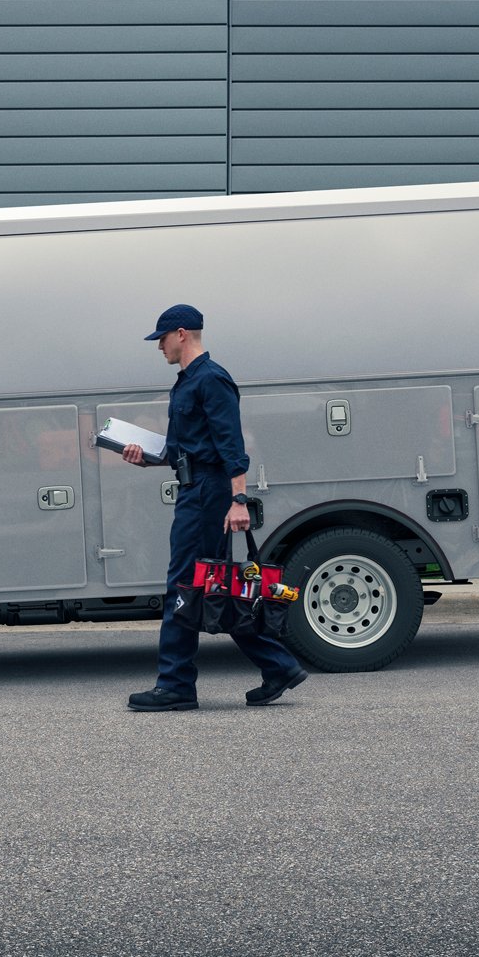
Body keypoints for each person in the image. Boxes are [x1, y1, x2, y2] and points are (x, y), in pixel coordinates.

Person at [121, 304, 307, 712]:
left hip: (210, 492)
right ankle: (278, 667)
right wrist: (144, 455)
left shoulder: (212, 379)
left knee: (185, 586)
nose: (160, 348)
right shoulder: (186, 383)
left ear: (182, 333)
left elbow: (232, 446)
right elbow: (179, 449)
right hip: (194, 488)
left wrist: (238, 500)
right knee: (210, 586)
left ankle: (175, 685)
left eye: (163, 339)